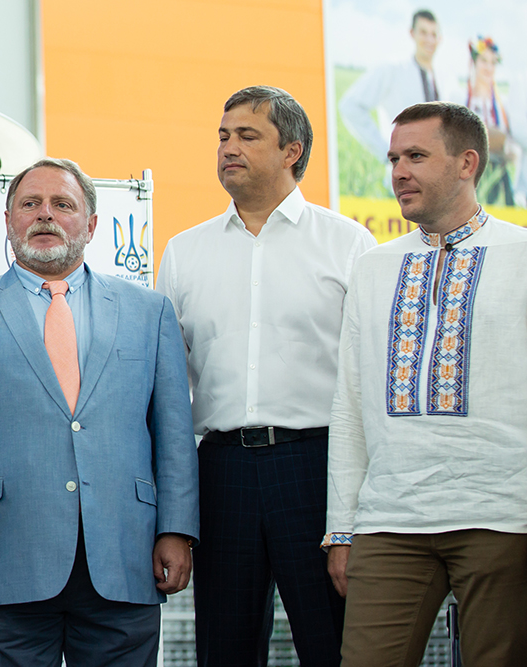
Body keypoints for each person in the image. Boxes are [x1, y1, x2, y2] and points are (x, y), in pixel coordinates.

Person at [0, 158, 199, 667]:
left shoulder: (149, 312)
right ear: (8, 220)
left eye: (62, 204)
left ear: (91, 224)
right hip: (0, 561)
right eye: (30, 203)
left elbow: (173, 435)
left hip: (125, 558)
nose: (45, 214)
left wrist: (176, 530)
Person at [157, 85, 376, 667]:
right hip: (221, 470)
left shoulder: (349, 244)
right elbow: (167, 394)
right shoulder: (185, 251)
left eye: (247, 135)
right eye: (223, 136)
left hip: (318, 468)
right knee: (224, 652)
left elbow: (368, 384)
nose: (228, 147)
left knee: (332, 646)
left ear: (291, 151)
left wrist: (353, 518)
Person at [326, 101, 527, 667]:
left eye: (415, 156)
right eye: (393, 159)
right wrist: (342, 530)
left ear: (467, 163)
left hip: (503, 516)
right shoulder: (373, 266)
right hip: (390, 520)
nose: (399, 172)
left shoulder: (521, 256)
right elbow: (350, 404)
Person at [340, 10, 441, 163]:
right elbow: (350, 106)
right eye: (423, 32)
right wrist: (386, 152)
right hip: (405, 170)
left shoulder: (443, 78)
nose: (429, 40)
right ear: (412, 33)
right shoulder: (392, 70)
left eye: (434, 34)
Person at [465, 36, 520, 206]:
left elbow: (513, 141)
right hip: (468, 176)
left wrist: (508, 148)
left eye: (493, 63)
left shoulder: (503, 103)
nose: (488, 67)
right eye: (484, 61)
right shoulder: (460, 98)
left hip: (498, 175)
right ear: (474, 62)